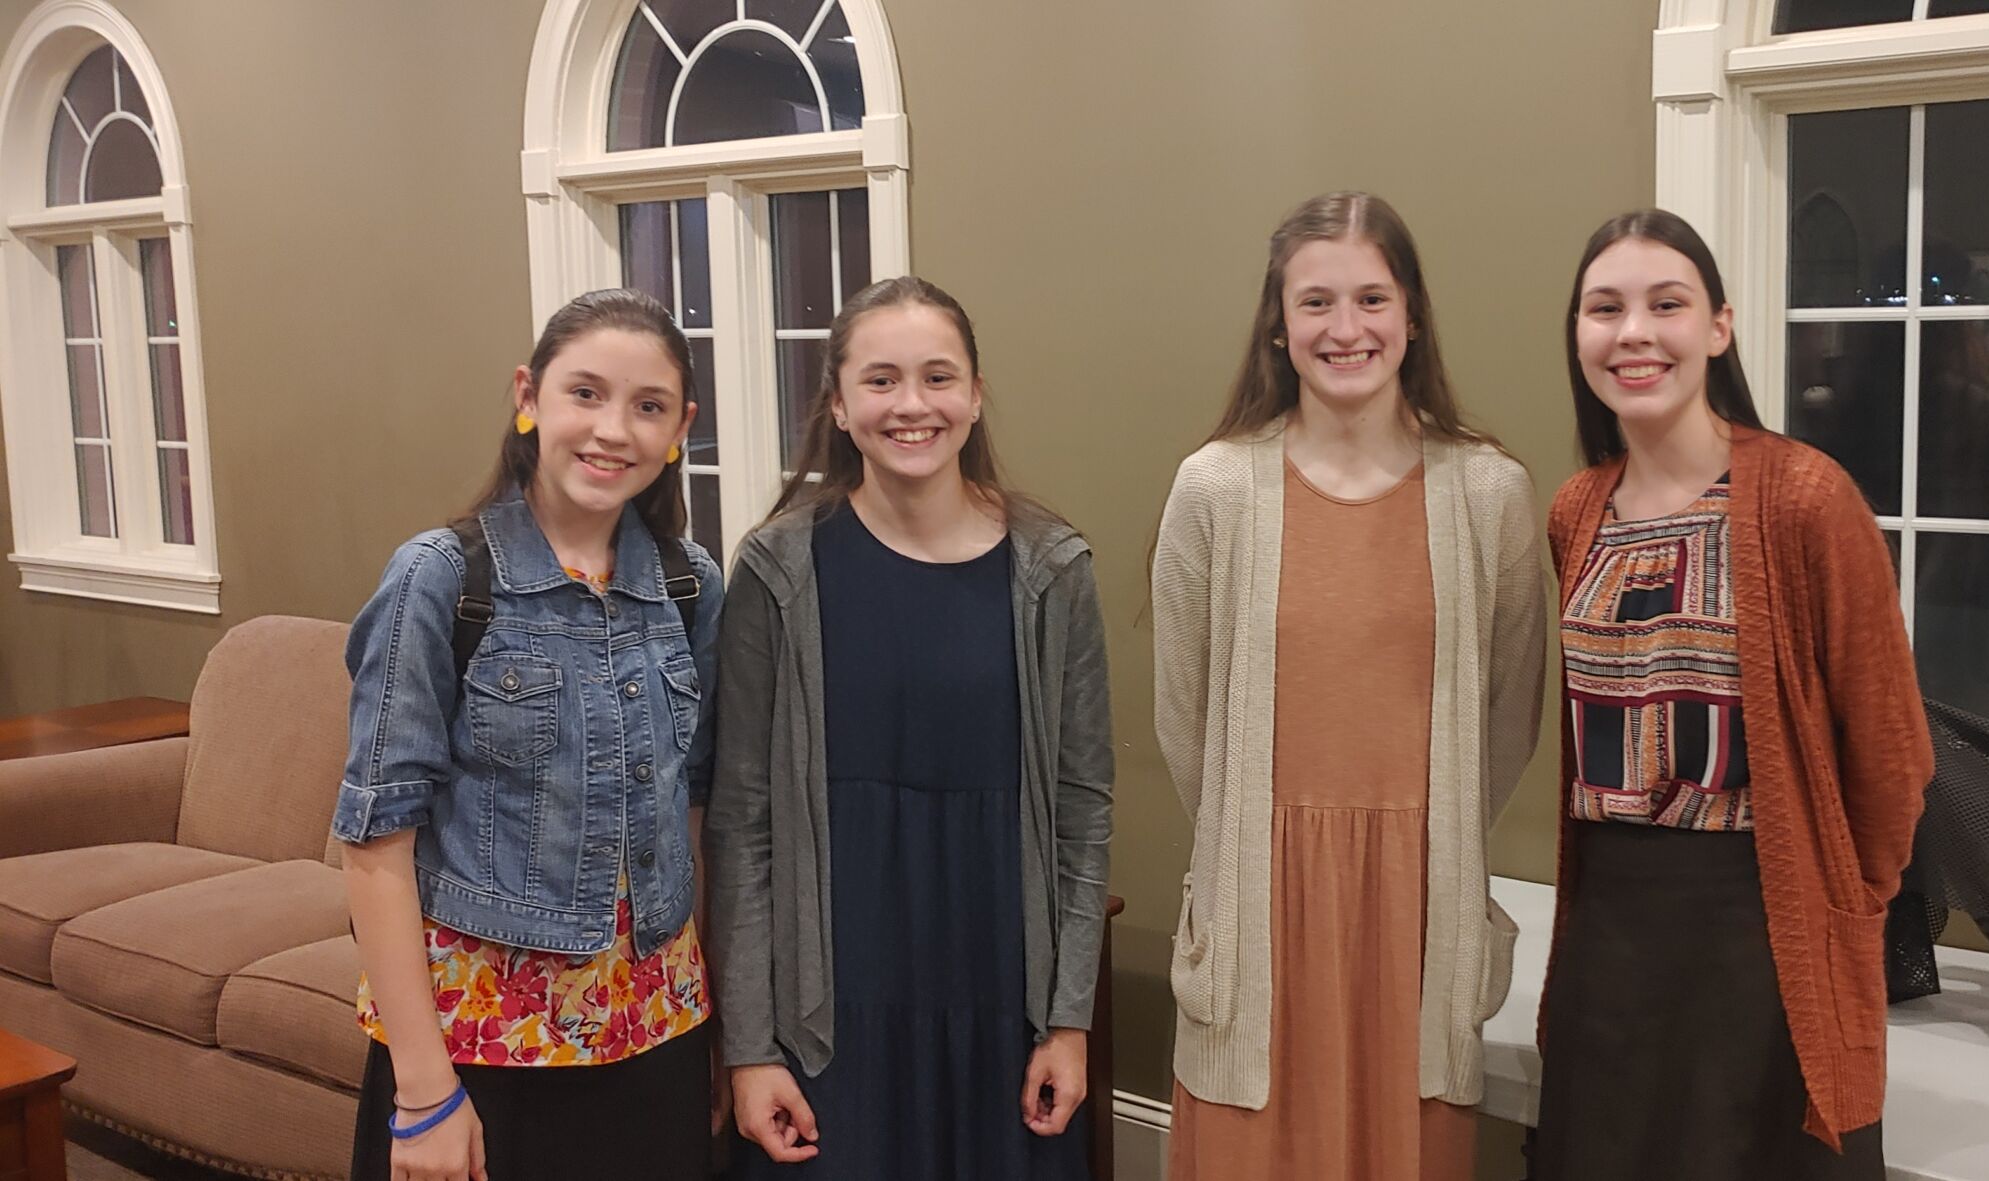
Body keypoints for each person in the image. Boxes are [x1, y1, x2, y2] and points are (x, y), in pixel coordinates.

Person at [1154, 190, 1546, 1181]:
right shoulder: (1213, 488)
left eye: (1371, 298)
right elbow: (1183, 716)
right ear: (1278, 325)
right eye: (1316, 301)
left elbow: (1510, 712)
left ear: (1411, 315)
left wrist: (1426, 835)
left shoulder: (1489, 493)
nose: (1345, 328)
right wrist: (1259, 839)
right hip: (1260, 907)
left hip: (1419, 914)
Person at [1531, 210, 1932, 1179]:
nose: (1634, 332)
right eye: (1604, 308)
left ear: (1718, 326)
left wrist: (1849, 908)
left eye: (1666, 304)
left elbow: (1890, 749)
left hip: (1761, 937)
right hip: (1609, 936)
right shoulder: (1577, 510)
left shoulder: (1805, 498)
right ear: (1578, 334)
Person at [710, 275, 1112, 1180]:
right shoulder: (777, 571)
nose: (912, 405)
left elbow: (1084, 813)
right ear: (839, 404)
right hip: (827, 1005)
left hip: (1005, 995)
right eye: (881, 380)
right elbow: (742, 825)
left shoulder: (1053, 570)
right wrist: (751, 1048)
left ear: (975, 394)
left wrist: (1069, 1020)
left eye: (937, 377)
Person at [335, 288, 724, 1181]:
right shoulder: (440, 578)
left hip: (657, 1032)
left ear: (680, 429)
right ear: (528, 394)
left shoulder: (690, 585)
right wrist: (423, 1092)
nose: (613, 429)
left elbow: (695, 812)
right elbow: (375, 843)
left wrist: (713, 1031)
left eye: (648, 406)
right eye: (585, 393)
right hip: (481, 1047)